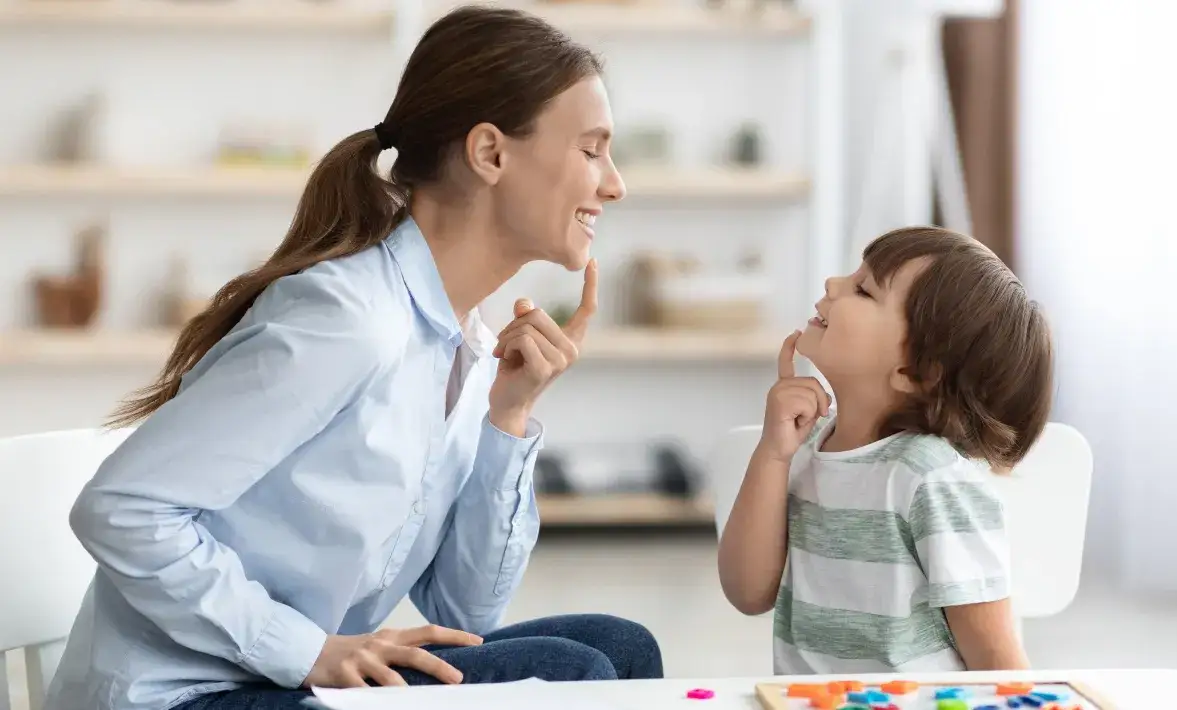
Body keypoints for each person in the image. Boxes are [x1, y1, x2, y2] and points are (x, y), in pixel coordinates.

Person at [44, 6, 663, 710]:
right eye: (591, 149)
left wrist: (507, 419)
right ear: (490, 154)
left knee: (620, 648)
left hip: (278, 686)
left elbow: (465, 616)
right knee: (574, 677)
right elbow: (121, 508)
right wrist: (309, 651)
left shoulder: (472, 345)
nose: (614, 184)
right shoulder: (348, 320)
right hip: (183, 696)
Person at [717, 227, 1054, 675]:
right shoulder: (804, 450)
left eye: (863, 289)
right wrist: (773, 454)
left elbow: (995, 658)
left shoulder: (931, 480)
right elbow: (748, 593)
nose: (832, 285)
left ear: (914, 371)